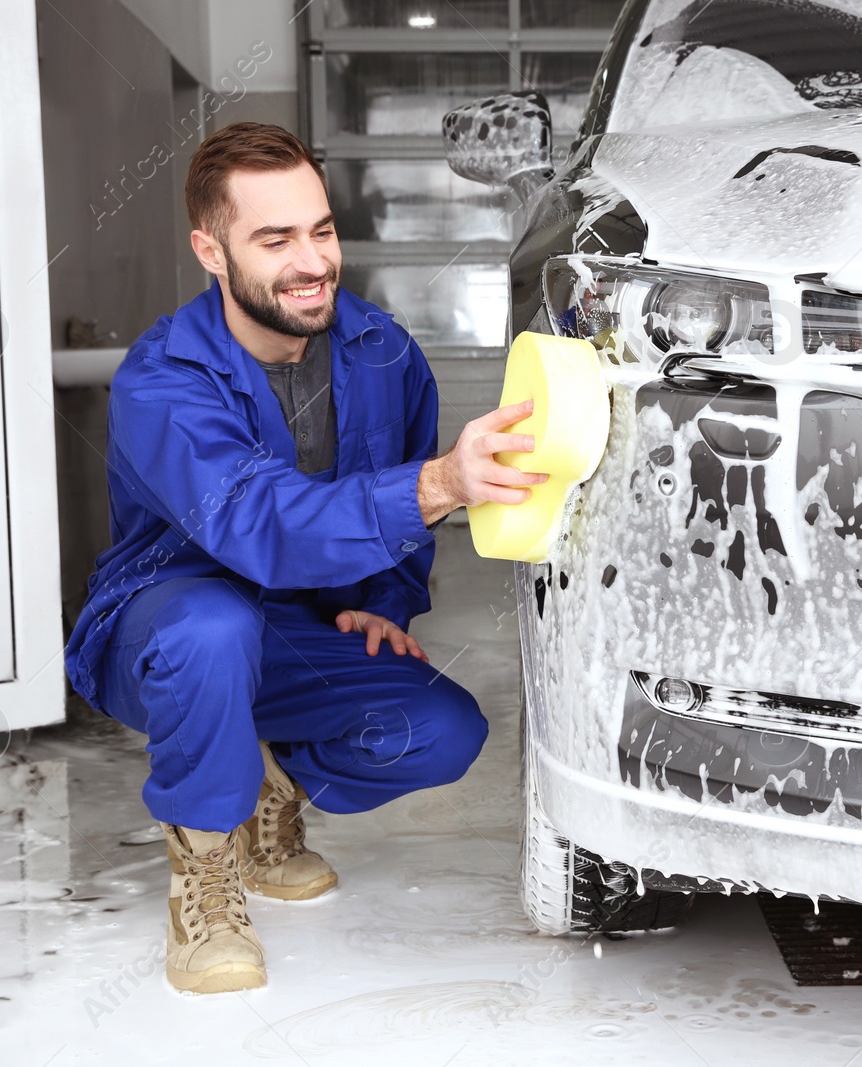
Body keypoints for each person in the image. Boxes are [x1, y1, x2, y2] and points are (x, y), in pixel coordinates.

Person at [62, 121, 546, 994]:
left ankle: (267, 791)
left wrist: (382, 603)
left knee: (441, 730)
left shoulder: (383, 351)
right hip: (166, 621)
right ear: (211, 250)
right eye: (275, 238)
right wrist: (442, 483)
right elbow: (256, 518)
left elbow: (396, 482)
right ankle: (204, 881)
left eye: (320, 229)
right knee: (214, 626)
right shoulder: (162, 376)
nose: (312, 260)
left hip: (296, 629)